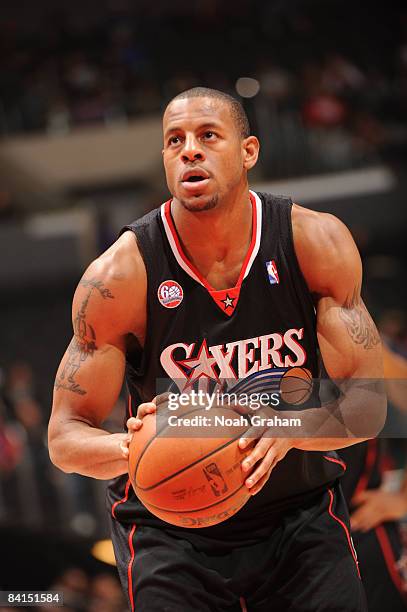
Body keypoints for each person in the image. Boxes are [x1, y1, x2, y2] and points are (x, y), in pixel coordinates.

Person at [48, 87, 385, 611]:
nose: (189, 150)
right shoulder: (119, 277)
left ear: (248, 150)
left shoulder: (314, 242)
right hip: (170, 534)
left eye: (208, 135)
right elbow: (63, 435)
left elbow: (368, 406)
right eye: (174, 140)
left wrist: (289, 427)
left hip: (298, 514)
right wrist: (136, 449)